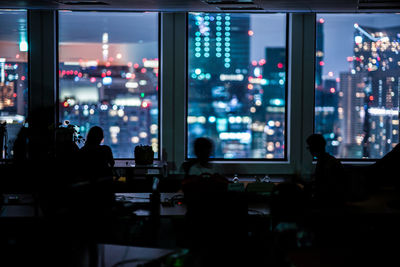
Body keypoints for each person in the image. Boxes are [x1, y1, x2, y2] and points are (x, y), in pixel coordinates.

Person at [306, 134, 346, 206]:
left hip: (330, 202)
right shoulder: (327, 160)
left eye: (309, 147)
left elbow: (324, 188)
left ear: (313, 148)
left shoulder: (325, 163)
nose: (309, 150)